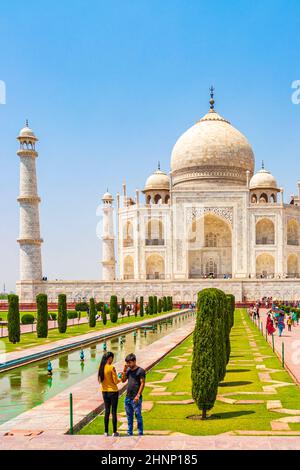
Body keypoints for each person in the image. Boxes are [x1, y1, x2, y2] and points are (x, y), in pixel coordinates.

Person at [121, 353, 146, 436]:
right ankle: (129, 433)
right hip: (128, 397)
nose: (128, 364)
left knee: (138, 415)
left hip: (136, 398)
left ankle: (140, 433)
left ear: (134, 361)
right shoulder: (128, 370)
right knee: (129, 416)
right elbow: (123, 380)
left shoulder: (140, 371)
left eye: (130, 362)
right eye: (127, 363)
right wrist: (124, 371)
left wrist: (138, 395)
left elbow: (142, 383)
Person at [98, 352, 121, 437]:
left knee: (107, 411)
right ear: (109, 358)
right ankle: (114, 432)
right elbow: (115, 381)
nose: (112, 360)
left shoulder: (100, 367)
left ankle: (106, 431)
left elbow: (100, 380)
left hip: (104, 391)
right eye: (112, 358)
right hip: (113, 392)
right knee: (114, 412)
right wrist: (121, 378)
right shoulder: (111, 368)